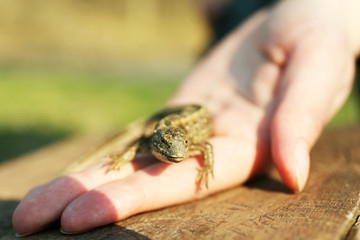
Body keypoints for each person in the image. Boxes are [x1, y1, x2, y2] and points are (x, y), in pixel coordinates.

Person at [12, 0, 360, 236]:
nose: (174, 160)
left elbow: (205, 150)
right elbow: (139, 144)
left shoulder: (189, 142)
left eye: (176, 154)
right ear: (162, 144)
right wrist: (122, 156)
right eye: (169, 154)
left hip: (196, 114)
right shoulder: (155, 140)